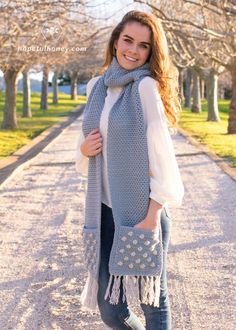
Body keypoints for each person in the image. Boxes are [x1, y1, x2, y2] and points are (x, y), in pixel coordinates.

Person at [75, 10, 184, 330]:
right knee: (110, 308)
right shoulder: (96, 87)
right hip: (104, 211)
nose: (133, 51)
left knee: (153, 301)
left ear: (152, 52)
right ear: (115, 41)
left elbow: (163, 158)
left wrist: (152, 216)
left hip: (144, 212)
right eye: (128, 40)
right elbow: (83, 156)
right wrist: (84, 149)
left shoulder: (145, 88)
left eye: (143, 45)